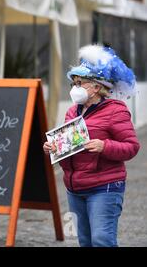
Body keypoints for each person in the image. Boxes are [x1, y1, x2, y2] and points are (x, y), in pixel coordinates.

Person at [43, 44, 140, 247]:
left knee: (102, 240)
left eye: (80, 83)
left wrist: (104, 146)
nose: (74, 88)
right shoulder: (73, 112)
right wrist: (55, 148)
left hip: (104, 187)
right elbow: (70, 145)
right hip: (75, 188)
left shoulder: (116, 111)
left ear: (97, 87)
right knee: (85, 242)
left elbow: (132, 146)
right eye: (74, 83)